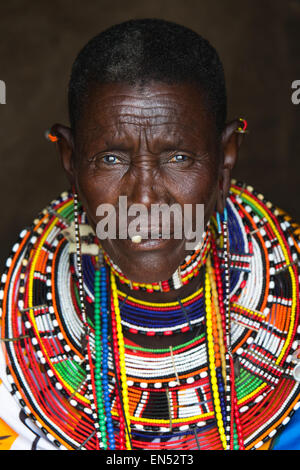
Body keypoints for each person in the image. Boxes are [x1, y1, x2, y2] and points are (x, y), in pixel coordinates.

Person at [1, 18, 300, 451]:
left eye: (178, 156)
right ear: (70, 159)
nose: (142, 200)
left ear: (226, 158)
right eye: (109, 158)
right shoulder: (13, 348)